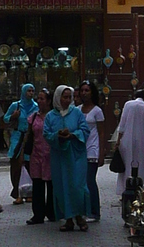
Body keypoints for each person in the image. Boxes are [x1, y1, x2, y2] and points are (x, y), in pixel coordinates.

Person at [44, 84, 89, 233]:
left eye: (69, 97)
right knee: (61, 186)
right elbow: (47, 134)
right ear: (58, 97)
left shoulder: (77, 113)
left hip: (76, 155)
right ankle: (68, 219)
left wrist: (73, 135)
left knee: (78, 186)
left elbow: (85, 130)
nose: (67, 100)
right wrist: (57, 136)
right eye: (65, 97)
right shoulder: (51, 116)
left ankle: (80, 216)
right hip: (59, 157)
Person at [114, 88, 144, 195]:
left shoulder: (128, 105)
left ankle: (125, 189)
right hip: (141, 140)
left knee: (127, 164)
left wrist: (118, 141)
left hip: (126, 140)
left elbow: (122, 124)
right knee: (141, 163)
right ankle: (140, 188)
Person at [25, 88, 55, 225]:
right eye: (39, 98)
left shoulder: (54, 116)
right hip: (36, 154)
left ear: (49, 101)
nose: (39, 101)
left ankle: (52, 212)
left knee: (51, 185)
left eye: (42, 99)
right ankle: (38, 214)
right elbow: (28, 135)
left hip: (51, 154)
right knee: (37, 184)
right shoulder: (33, 117)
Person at [2, 83, 36, 201]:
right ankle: (17, 192)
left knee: (29, 164)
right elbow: (5, 119)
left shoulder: (35, 106)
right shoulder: (16, 105)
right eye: (28, 91)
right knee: (16, 164)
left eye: (32, 91)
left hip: (30, 136)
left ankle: (30, 192)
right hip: (17, 136)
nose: (31, 93)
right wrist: (13, 116)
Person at [79, 80, 105, 222]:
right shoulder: (77, 109)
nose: (84, 93)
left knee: (90, 181)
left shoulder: (97, 111)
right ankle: (83, 210)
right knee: (81, 182)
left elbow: (101, 133)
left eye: (87, 90)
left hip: (92, 149)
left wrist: (101, 153)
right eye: (82, 90)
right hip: (79, 150)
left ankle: (94, 211)